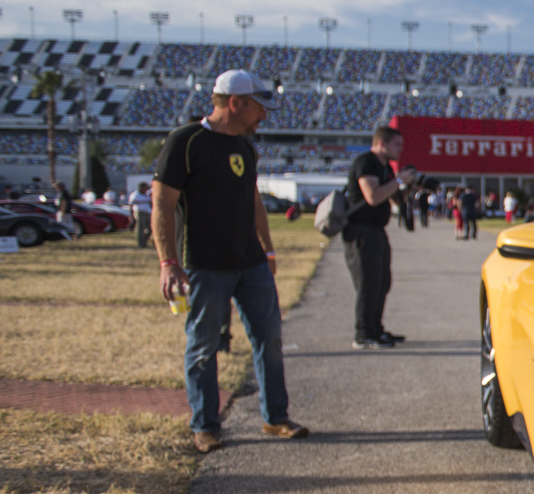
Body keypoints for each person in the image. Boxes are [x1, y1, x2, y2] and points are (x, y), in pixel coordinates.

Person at [151, 70, 307, 454]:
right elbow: (162, 205)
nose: (263, 117)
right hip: (204, 265)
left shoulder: (245, 148)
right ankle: (205, 425)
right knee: (203, 346)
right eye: (258, 108)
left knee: (269, 339)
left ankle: (275, 418)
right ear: (235, 103)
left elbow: (253, 199)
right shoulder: (185, 142)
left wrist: (267, 249)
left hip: (250, 263)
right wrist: (168, 261)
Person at [342, 126, 415, 349]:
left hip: (377, 231)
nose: (400, 150)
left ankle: (376, 329)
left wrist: (409, 186)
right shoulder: (366, 163)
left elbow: (394, 200)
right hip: (361, 230)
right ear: (381, 144)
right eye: (397, 145)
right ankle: (363, 334)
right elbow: (373, 196)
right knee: (368, 284)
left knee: (382, 283)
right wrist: (399, 180)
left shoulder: (385, 169)